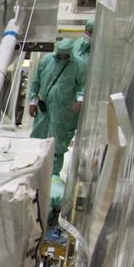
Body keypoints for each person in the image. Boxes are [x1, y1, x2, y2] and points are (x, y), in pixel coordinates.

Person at [28, 39, 86, 174]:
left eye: (65, 55)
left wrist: (80, 99)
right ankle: (32, 168)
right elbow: (36, 82)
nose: (62, 57)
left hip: (63, 107)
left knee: (58, 140)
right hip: (44, 106)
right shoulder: (46, 61)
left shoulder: (78, 65)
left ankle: (53, 174)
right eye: (60, 54)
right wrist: (32, 102)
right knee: (37, 135)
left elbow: (81, 85)